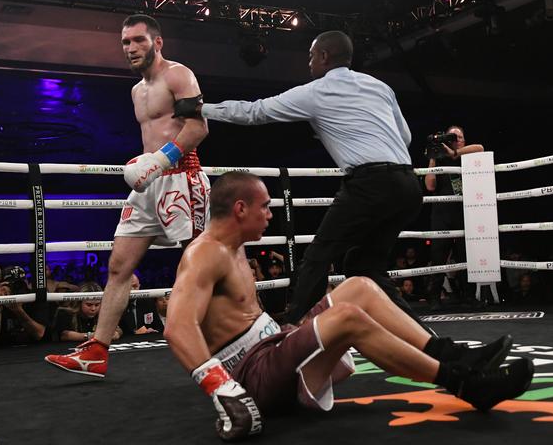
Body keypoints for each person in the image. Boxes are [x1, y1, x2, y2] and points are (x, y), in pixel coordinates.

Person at [164, 172, 532, 441]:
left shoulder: (235, 245)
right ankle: (465, 385)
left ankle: (455, 357)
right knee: (348, 317)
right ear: (240, 208)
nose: (270, 215)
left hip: (272, 349)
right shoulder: (205, 254)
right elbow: (178, 327)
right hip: (253, 375)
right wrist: (222, 388)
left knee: (360, 287)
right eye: (265, 207)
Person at [176, 30, 426, 327]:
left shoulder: (316, 92)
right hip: (409, 184)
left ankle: (293, 334)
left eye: (311, 56)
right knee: (363, 264)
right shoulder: (380, 86)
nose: (308, 64)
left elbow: (254, 113)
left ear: (323, 56)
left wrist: (201, 108)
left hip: (369, 183)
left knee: (317, 259)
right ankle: (431, 344)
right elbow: (406, 137)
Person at [45, 14, 210, 377]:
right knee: (119, 266)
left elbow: (199, 127)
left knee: (205, 265)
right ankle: (97, 350)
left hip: (183, 179)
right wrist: (148, 164)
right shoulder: (137, 91)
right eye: (125, 42)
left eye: (138, 40)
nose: (131, 48)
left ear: (158, 42)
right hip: (149, 184)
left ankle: (245, 335)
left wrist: (159, 159)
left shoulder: (178, 75)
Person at [424, 125, 484, 309]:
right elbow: (430, 186)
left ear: (464, 140)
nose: (456, 139)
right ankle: (434, 297)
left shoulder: (468, 157)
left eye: (459, 137)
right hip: (441, 214)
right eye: (453, 136)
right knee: (438, 256)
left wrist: (454, 153)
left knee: (465, 257)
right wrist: (433, 158)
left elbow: (480, 148)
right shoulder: (440, 159)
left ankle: (469, 296)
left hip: (464, 214)